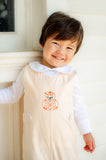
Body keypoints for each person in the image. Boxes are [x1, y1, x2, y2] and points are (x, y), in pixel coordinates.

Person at [0, 12, 95, 160]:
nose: (61, 52)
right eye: (56, 43)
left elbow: (79, 107)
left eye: (69, 48)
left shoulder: (71, 76)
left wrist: (86, 132)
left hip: (64, 140)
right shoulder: (29, 72)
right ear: (43, 42)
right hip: (35, 139)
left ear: (75, 52)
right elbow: (12, 95)